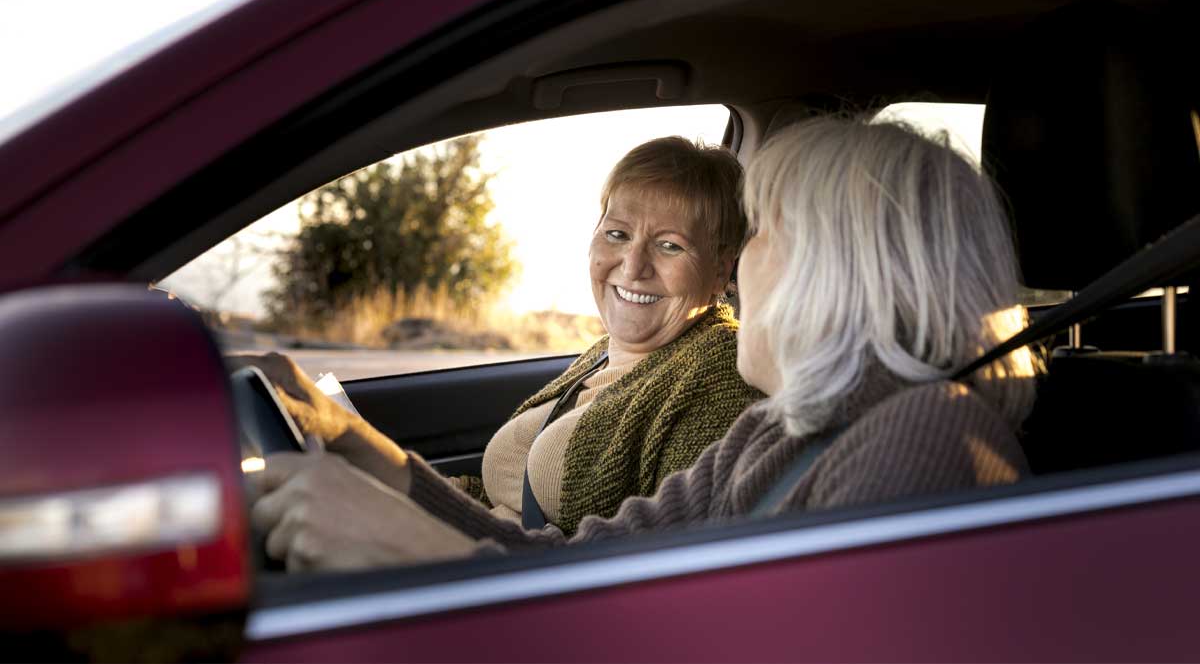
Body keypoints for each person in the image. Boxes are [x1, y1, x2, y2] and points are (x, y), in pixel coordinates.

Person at [249, 115, 1040, 569]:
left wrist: (419, 558)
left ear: (842, 271)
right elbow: (586, 565)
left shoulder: (928, 444)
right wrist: (352, 441)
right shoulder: (786, 431)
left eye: (760, 236)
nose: (738, 274)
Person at [232, 136, 762, 558]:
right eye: (618, 234)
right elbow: (492, 506)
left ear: (721, 268)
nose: (633, 265)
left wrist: (401, 539)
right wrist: (347, 438)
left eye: (670, 245)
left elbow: (629, 574)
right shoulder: (604, 353)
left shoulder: (717, 375)